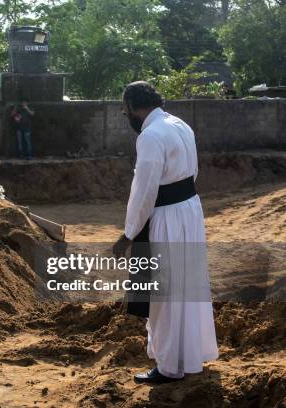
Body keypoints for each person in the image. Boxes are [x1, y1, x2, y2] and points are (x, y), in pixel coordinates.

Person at [113, 81, 219, 384]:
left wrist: (128, 234)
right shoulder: (180, 125)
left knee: (164, 294)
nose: (127, 116)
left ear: (133, 106)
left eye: (125, 111)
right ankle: (187, 355)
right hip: (189, 210)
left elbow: (145, 191)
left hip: (167, 218)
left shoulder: (150, 135)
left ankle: (170, 367)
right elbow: (192, 173)